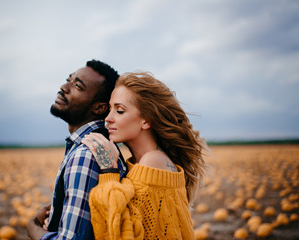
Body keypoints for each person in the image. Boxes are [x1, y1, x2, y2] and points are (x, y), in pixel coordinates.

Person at [82, 72, 207, 240]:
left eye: (119, 111)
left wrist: (109, 170)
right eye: (110, 109)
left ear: (146, 120)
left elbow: (121, 233)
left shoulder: (153, 161)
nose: (108, 118)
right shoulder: (148, 161)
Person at [26, 60, 127, 240]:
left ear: (99, 107)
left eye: (77, 86)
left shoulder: (86, 154)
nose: (64, 87)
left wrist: (32, 227)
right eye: (68, 80)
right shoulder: (94, 146)